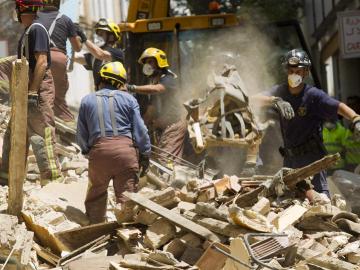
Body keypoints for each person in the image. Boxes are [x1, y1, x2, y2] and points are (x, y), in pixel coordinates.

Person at [252, 49, 360, 198]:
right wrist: (275, 100)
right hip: (290, 160)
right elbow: (253, 99)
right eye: (291, 70)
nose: (294, 74)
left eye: (298, 70)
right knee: (289, 201)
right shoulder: (280, 92)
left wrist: (355, 118)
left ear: (306, 73)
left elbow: (338, 106)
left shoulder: (313, 95)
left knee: (319, 200)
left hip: (312, 160)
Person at [76, 61, 151, 224]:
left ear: (100, 80)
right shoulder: (129, 99)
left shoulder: (87, 100)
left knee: (96, 194)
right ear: (120, 82)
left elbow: (81, 134)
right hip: (126, 154)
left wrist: (88, 151)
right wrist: (145, 154)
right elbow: (141, 131)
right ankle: (128, 235)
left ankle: (95, 229)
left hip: (99, 152)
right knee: (127, 199)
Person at [1, 0, 62, 185]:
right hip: (24, 88)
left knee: (41, 132)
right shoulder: (28, 32)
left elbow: (42, 62)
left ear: (23, 9)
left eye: (17, 9)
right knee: (14, 133)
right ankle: (6, 179)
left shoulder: (37, 29)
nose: (15, 13)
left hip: (37, 88)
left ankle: (52, 180)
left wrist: (34, 92)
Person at [127, 48, 187, 164]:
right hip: (164, 127)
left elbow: (158, 89)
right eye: (146, 63)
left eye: (150, 62)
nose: (147, 66)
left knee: (165, 161)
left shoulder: (168, 79)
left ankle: (171, 180)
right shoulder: (155, 82)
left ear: (160, 62)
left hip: (174, 126)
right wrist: (139, 128)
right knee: (158, 159)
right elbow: (151, 110)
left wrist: (132, 88)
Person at [36, 0, 83, 127]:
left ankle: (42, 121)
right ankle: (69, 125)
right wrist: (80, 35)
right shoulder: (66, 19)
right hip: (58, 60)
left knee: (40, 94)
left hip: (39, 58)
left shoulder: (35, 17)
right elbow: (77, 48)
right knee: (58, 98)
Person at [75, 18, 124, 90]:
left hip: (115, 94)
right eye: (97, 34)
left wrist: (83, 36)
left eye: (101, 34)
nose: (97, 37)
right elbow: (76, 58)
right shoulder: (93, 56)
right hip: (99, 95)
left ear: (111, 36)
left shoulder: (117, 53)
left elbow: (101, 55)